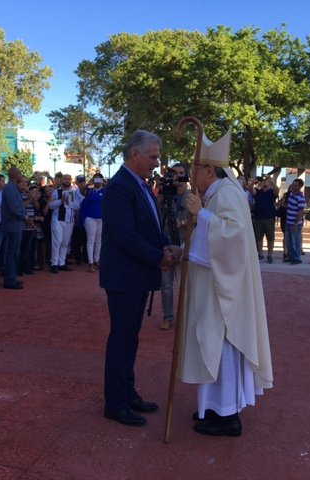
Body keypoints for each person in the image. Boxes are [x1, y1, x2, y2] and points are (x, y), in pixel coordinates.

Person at [180, 151, 273, 437]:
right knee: (211, 343)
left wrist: (201, 215)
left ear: (209, 170)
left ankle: (227, 414)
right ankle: (212, 408)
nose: (191, 176)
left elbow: (233, 237)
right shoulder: (218, 193)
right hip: (214, 286)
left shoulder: (227, 194)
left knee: (221, 344)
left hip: (224, 292)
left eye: (194, 170)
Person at [100, 130, 179, 427]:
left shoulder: (140, 185)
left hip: (135, 275)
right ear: (135, 154)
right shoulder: (121, 186)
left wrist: (165, 245)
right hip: (124, 276)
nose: (156, 163)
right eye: (153, 156)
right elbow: (125, 236)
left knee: (129, 339)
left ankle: (127, 393)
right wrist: (158, 256)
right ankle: (115, 403)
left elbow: (150, 226)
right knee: (121, 339)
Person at [158, 163, 189, 330]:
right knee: (166, 285)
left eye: (181, 173)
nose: (178, 177)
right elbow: (156, 217)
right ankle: (168, 317)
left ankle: (186, 317)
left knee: (188, 286)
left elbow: (197, 219)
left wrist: (182, 222)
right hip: (168, 244)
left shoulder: (192, 196)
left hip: (186, 245)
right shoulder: (165, 196)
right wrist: (161, 195)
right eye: (174, 174)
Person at [48, 174, 83, 273]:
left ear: (71, 180)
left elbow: (78, 205)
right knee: (57, 241)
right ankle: (54, 264)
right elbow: (50, 205)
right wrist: (61, 201)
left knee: (65, 242)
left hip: (70, 220)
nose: (67, 181)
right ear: (62, 180)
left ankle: (62, 263)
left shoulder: (75, 192)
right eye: (65, 179)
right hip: (57, 220)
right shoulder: (56, 192)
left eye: (69, 179)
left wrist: (71, 203)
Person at [1, 167, 26, 290]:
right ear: (15, 175)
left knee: (14, 252)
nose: (21, 175)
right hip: (12, 225)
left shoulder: (13, 188)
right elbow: (14, 208)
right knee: (11, 252)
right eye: (20, 173)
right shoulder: (10, 188)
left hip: (15, 224)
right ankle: (9, 279)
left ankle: (12, 277)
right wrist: (24, 216)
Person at [81, 174, 106, 272]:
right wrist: (83, 219)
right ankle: (90, 263)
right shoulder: (89, 192)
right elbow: (84, 203)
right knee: (91, 240)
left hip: (101, 219)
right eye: (96, 179)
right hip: (90, 218)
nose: (97, 181)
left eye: (99, 179)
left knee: (99, 241)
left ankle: (97, 260)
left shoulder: (105, 192)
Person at [252, 176, 278, 264]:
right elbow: (250, 189)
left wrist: (271, 181)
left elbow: (276, 190)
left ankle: (270, 255)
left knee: (270, 238)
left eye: (265, 182)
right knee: (259, 237)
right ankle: (260, 253)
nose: (264, 183)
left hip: (269, 218)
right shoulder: (258, 192)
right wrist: (254, 182)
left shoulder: (271, 192)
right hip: (258, 218)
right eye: (263, 182)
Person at [285, 179, 306, 264]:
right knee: (289, 241)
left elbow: (300, 212)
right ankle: (291, 256)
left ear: (300, 186)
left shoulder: (300, 197)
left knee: (296, 241)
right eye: (293, 184)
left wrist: (296, 222)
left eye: (296, 185)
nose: (293, 186)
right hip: (288, 221)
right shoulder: (291, 194)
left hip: (295, 223)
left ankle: (297, 258)